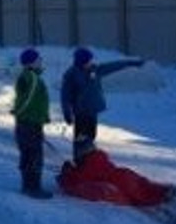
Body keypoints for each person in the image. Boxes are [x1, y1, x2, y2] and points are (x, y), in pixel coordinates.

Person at [60, 47, 143, 161]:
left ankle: (89, 161)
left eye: (90, 60)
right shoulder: (71, 75)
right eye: (88, 61)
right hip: (81, 112)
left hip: (92, 111)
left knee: (91, 136)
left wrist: (129, 63)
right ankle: (79, 162)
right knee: (81, 139)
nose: (91, 62)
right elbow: (65, 96)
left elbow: (112, 66)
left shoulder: (95, 70)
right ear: (81, 61)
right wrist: (67, 113)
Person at [11, 48, 52, 198]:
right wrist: (20, 112)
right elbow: (27, 99)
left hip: (30, 121)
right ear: (31, 62)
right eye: (38, 60)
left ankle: (28, 185)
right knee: (34, 154)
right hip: (29, 122)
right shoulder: (31, 78)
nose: (40, 62)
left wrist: (43, 116)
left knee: (28, 153)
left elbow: (35, 101)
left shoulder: (30, 76)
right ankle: (33, 187)